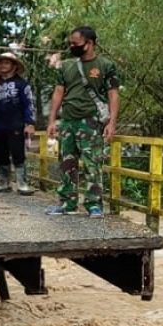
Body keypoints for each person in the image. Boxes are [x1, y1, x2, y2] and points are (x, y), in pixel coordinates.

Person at [45, 26, 120, 217]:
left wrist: (112, 123)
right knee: (67, 163)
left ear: (90, 43)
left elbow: (113, 94)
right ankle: (66, 203)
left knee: (92, 164)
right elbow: (58, 93)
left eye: (75, 43)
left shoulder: (105, 66)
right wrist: (52, 120)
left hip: (92, 121)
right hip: (68, 121)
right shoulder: (67, 66)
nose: (72, 46)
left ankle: (94, 204)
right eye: (70, 43)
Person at [0, 52, 36, 194]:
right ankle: (4, 182)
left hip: (16, 123)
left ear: (14, 66)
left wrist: (30, 122)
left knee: (18, 152)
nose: (3, 65)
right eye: (1, 63)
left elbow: (29, 104)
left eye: (7, 63)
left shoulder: (22, 84)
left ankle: (22, 183)